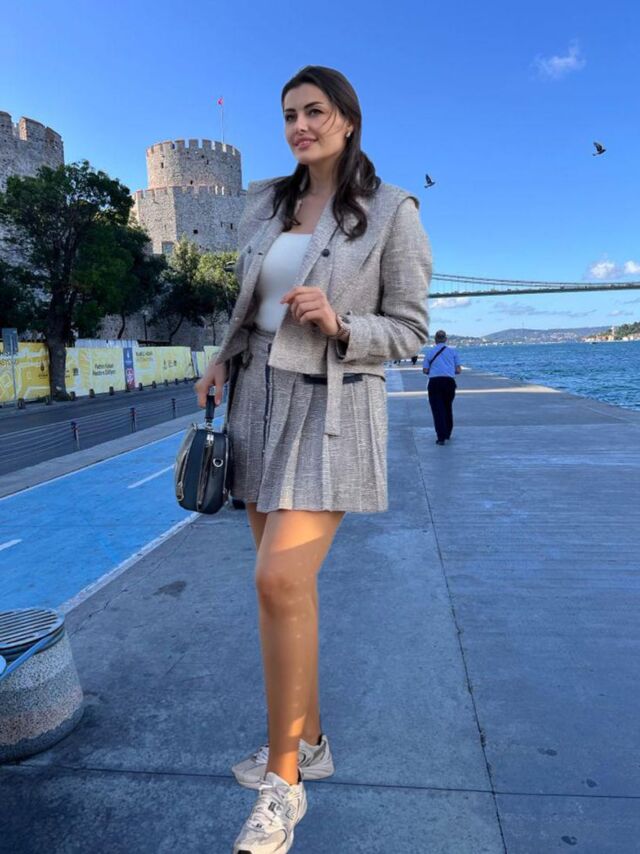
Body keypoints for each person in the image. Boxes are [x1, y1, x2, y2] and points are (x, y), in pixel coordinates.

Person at [195, 65, 431, 854]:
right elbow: (250, 303)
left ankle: (285, 784)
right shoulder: (266, 201)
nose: (300, 125)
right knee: (283, 594)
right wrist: (220, 356)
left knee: (278, 579)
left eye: (315, 111)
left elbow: (411, 330)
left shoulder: (393, 210)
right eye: (290, 114)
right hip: (253, 401)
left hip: (330, 406)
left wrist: (341, 322)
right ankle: (313, 743)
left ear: (348, 119)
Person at [422, 329, 461, 445]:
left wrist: (434, 370)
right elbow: (458, 370)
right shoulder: (453, 352)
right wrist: (449, 370)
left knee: (437, 410)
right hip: (449, 382)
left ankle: (441, 437)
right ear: (445, 339)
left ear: (435, 340)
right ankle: (448, 433)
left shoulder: (430, 352)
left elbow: (425, 370)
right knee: (447, 408)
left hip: (435, 383)